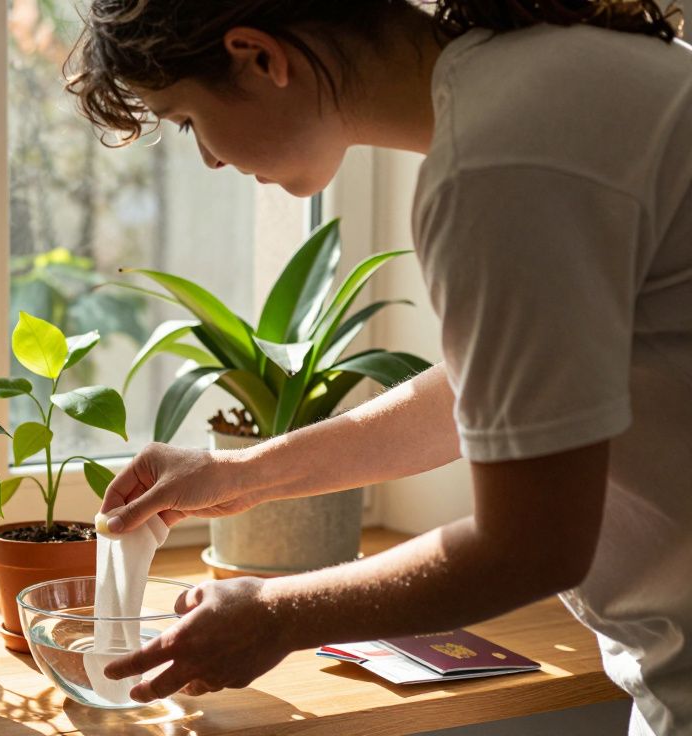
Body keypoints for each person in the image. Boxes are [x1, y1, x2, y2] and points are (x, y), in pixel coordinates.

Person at [67, 1, 692, 733]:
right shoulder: (551, 79)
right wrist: (242, 476)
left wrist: (274, 614)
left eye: (186, 119)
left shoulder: (499, 164)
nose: (206, 157)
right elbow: (494, 394)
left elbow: (530, 545)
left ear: (258, 57)